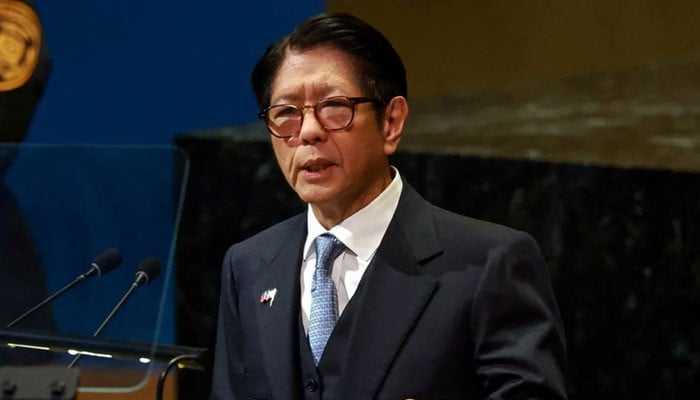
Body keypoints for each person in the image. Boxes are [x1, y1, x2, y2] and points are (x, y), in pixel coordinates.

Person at [210, 12, 568, 400]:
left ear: (392, 122)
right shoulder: (249, 265)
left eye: (335, 106)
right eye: (286, 113)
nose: (309, 131)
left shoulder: (489, 264)